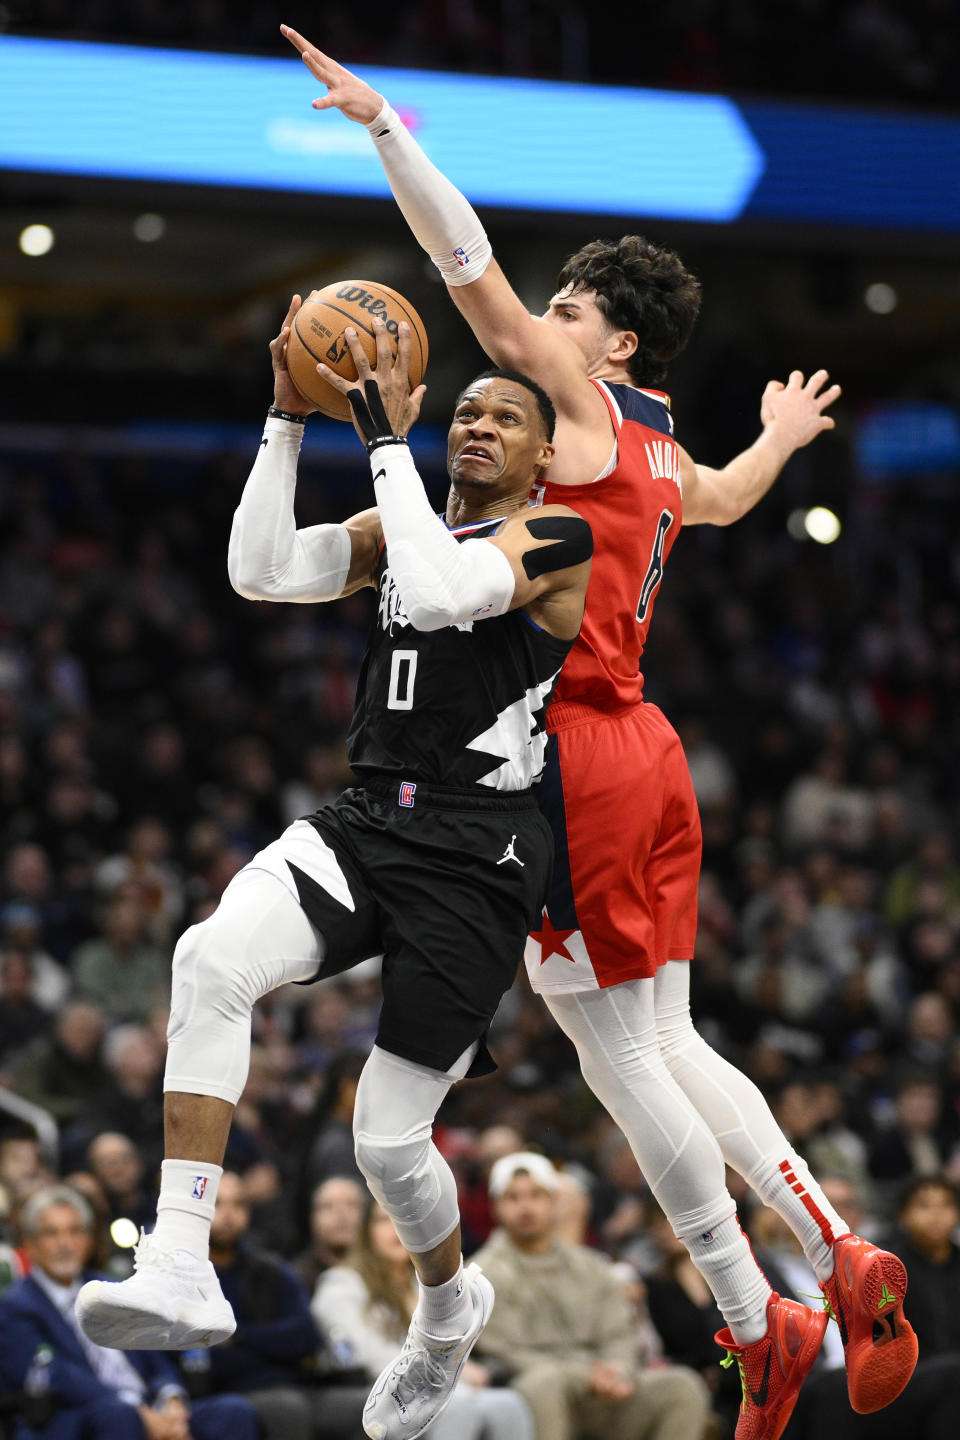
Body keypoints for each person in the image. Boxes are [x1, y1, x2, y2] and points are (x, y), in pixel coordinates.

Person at [279, 26, 918, 1438]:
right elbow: (730, 502)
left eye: (565, 310)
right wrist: (783, 440)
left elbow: (467, 273)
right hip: (647, 746)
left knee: (622, 1053)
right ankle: (813, 1267)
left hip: (565, 745)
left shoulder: (574, 399)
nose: (540, 324)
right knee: (657, 1037)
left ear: (609, 337)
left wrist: (387, 126)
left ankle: (778, 1301)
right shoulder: (661, 438)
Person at [76, 301, 593, 1440]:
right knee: (208, 958)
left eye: (505, 418)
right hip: (371, 816)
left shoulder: (558, 542)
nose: (478, 427)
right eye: (464, 411)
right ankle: (179, 1258)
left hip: (476, 849)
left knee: (384, 1140)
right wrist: (283, 420)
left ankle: (450, 1304)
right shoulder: (395, 518)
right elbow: (261, 573)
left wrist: (382, 443)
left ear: (544, 458)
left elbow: (453, 593)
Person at [470, 1151, 710, 1440]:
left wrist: (615, 1369)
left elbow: (619, 1334)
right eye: (513, 1198)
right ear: (496, 1207)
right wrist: (586, 1374)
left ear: (552, 1202)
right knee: (544, 1383)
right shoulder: (482, 1274)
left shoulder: (591, 1266)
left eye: (536, 1195)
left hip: (604, 1388)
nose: (526, 1207)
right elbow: (506, 1351)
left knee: (681, 1386)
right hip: (539, 1389)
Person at [0, 1185, 258, 1440]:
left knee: (233, 1412)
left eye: (75, 1231)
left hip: (146, 1406)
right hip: (76, 1418)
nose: (65, 1243)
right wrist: (139, 1414)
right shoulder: (16, 1305)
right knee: (118, 1416)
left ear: (89, 1240)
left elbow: (153, 1353)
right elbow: (55, 1376)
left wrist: (172, 1400)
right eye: (51, 1233)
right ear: (29, 1243)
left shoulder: (113, 1285)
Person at [314, 1197, 534, 1440]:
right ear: (366, 1232)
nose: (396, 1230)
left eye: (404, 1221)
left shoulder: (423, 1284)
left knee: (508, 1403)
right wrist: (440, 1380)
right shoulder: (342, 1283)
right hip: (372, 1390)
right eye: (383, 1221)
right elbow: (361, 1353)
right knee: (458, 1405)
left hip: (432, 1386)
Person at [204, 1170, 366, 1440]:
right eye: (217, 1204)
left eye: (238, 1204)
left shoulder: (271, 1270)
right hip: (231, 1394)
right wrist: (272, 1345)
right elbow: (205, 1359)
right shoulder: (187, 1275)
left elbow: (305, 1336)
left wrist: (239, 1335)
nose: (228, 1215)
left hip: (298, 1387)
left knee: (373, 1409)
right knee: (287, 1408)